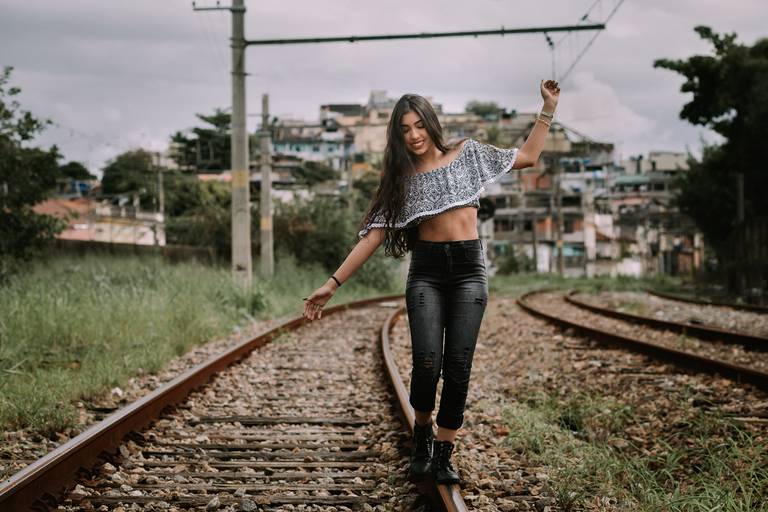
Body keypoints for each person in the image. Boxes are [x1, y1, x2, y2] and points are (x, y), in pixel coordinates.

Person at [302, 80, 560, 485]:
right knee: (426, 364)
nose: (414, 135)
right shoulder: (400, 180)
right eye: (404, 129)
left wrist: (547, 109)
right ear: (397, 135)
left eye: (419, 125)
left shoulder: (468, 155)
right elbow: (373, 236)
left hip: (469, 271)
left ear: (431, 124)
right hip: (426, 273)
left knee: (458, 368)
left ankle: (443, 455)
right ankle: (421, 434)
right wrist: (332, 284)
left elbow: (527, 156)